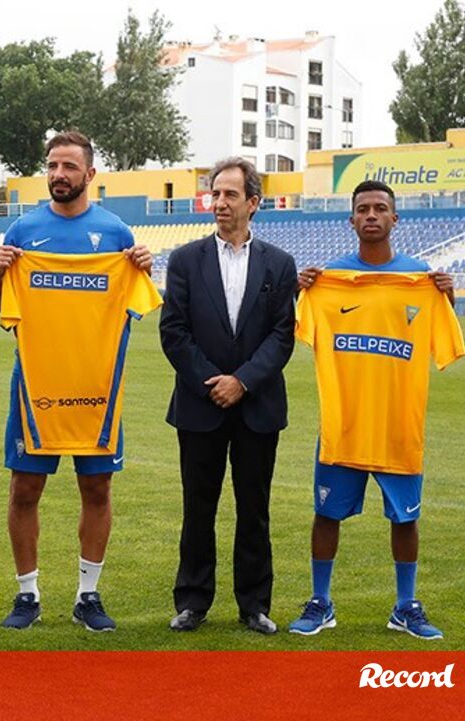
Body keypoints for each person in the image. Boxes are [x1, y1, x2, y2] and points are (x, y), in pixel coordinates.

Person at [0, 131, 153, 633]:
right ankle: (27, 595)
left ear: (90, 174)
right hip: (36, 384)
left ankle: (88, 595)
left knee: (97, 487)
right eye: (52, 166)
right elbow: (1, 306)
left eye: (69, 166)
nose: (59, 175)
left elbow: (136, 303)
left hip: (96, 387)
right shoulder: (23, 231)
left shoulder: (117, 235)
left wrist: (142, 268)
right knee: (25, 487)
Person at [288, 180, 459, 639]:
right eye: (362, 208)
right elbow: (296, 328)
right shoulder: (328, 280)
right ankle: (320, 601)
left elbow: (445, 346)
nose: (371, 215)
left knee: (406, 517)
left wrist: (444, 298)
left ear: (394, 219)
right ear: (351, 220)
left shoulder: (423, 282)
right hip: (343, 425)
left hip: (398, 426)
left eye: (380, 208)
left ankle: (406, 605)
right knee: (326, 514)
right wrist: (303, 290)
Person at [159, 157, 297, 634]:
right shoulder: (185, 260)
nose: (219, 202)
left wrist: (243, 381)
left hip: (258, 406)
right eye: (215, 194)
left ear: (253, 202)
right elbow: (174, 332)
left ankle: (254, 604)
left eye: (230, 194)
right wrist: (214, 382)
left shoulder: (279, 263)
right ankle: (193, 601)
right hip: (200, 405)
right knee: (198, 508)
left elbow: (282, 335)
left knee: (254, 510)